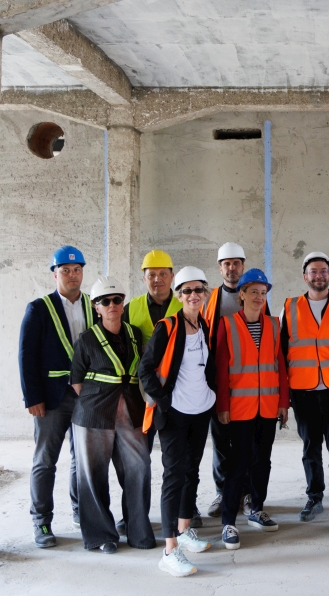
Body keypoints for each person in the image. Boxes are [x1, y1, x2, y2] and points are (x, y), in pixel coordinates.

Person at [137, 267, 217, 577]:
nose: (193, 295)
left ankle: (183, 531)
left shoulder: (204, 325)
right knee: (173, 476)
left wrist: (211, 394)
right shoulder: (168, 326)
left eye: (198, 290)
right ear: (179, 296)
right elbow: (145, 370)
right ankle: (169, 549)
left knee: (191, 471)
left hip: (201, 410)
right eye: (187, 291)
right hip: (175, 413)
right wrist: (164, 401)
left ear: (205, 293)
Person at [70, 276, 154, 554]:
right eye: (104, 301)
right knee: (93, 474)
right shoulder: (86, 340)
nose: (112, 305)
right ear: (96, 307)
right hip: (94, 414)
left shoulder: (134, 334)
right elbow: (77, 380)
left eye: (117, 299)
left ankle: (138, 530)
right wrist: (98, 401)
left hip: (131, 411)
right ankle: (101, 536)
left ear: (123, 302)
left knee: (139, 469)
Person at [18, 246, 95, 548]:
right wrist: (32, 398)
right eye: (65, 270)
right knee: (45, 460)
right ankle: (41, 521)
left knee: (82, 459)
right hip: (51, 398)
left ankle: (80, 512)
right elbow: (26, 356)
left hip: (85, 396)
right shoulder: (39, 309)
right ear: (55, 274)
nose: (72, 275)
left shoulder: (92, 305)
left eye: (77, 270)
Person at [214, 268, 289, 550]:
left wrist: (283, 402)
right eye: (254, 292)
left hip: (267, 407)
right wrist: (223, 405)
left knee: (263, 461)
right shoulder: (227, 324)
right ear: (242, 294)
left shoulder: (274, 325)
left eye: (263, 292)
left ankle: (257, 509)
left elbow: (280, 366)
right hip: (239, 408)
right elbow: (221, 369)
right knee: (238, 464)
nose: (259, 297)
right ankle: (228, 522)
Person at [281, 252, 329, 531]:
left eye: (323, 271)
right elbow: (282, 353)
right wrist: (285, 397)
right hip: (304, 392)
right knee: (310, 449)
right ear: (305, 276)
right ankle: (314, 497)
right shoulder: (289, 307)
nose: (319, 275)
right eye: (313, 271)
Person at [202, 242, 262, 518]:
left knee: (247, 442)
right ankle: (223, 491)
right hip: (218, 380)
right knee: (220, 440)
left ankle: (247, 492)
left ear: (243, 266)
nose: (232, 268)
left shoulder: (254, 296)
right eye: (226, 264)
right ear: (220, 268)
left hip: (248, 382)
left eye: (236, 263)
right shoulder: (209, 300)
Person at [125, 249, 183, 347]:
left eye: (163, 274)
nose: (157, 279)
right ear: (144, 279)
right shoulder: (131, 308)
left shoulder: (185, 305)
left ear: (171, 277)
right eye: (151, 275)